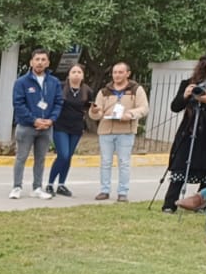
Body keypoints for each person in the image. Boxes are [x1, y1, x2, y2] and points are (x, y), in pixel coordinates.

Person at [160, 47, 206, 213]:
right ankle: (170, 204)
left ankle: (201, 204)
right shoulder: (190, 83)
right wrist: (185, 95)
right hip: (190, 131)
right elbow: (175, 107)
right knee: (180, 167)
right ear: (205, 65)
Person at [88, 61, 149, 202]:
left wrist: (130, 114)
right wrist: (94, 111)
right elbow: (96, 115)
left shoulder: (136, 89)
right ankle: (104, 190)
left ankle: (123, 192)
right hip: (106, 130)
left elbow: (144, 108)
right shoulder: (104, 91)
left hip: (126, 131)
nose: (117, 75)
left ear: (128, 73)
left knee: (124, 162)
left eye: (120, 72)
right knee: (105, 161)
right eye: (115, 72)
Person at [9, 48, 62, 200]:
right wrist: (34, 120)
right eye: (37, 59)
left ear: (48, 63)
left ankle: (37, 187)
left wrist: (51, 120)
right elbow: (18, 104)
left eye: (43, 60)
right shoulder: (21, 82)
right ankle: (17, 187)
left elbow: (58, 102)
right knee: (21, 157)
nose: (40, 62)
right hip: (26, 126)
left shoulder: (54, 82)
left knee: (41, 158)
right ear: (31, 62)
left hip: (46, 127)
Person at [45, 63, 91, 197]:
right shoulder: (60, 87)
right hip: (60, 126)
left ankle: (61, 184)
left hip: (76, 127)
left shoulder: (87, 90)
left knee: (69, 157)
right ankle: (50, 183)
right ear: (69, 74)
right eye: (73, 72)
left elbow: (89, 107)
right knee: (63, 155)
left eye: (79, 72)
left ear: (83, 75)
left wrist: (95, 110)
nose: (76, 74)